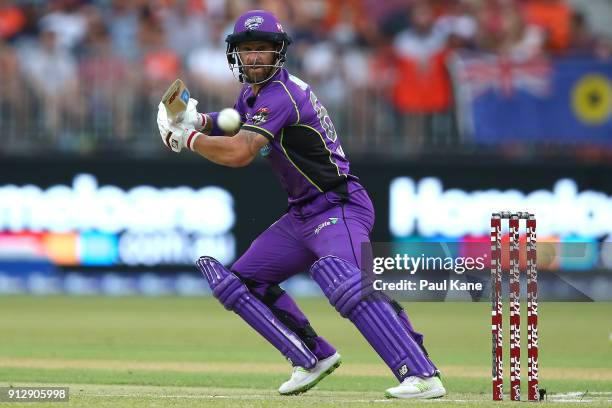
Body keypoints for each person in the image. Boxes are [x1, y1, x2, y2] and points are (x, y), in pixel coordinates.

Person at [156, 10, 446, 399]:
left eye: (262, 49)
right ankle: (311, 355)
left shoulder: (282, 95)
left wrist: (187, 139)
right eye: (247, 50)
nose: (254, 57)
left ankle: (422, 373)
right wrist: (196, 119)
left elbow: (241, 151)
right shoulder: (254, 94)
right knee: (241, 284)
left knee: (347, 282)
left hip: (338, 206)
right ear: (235, 55)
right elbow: (235, 119)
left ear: (279, 52)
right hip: (303, 213)